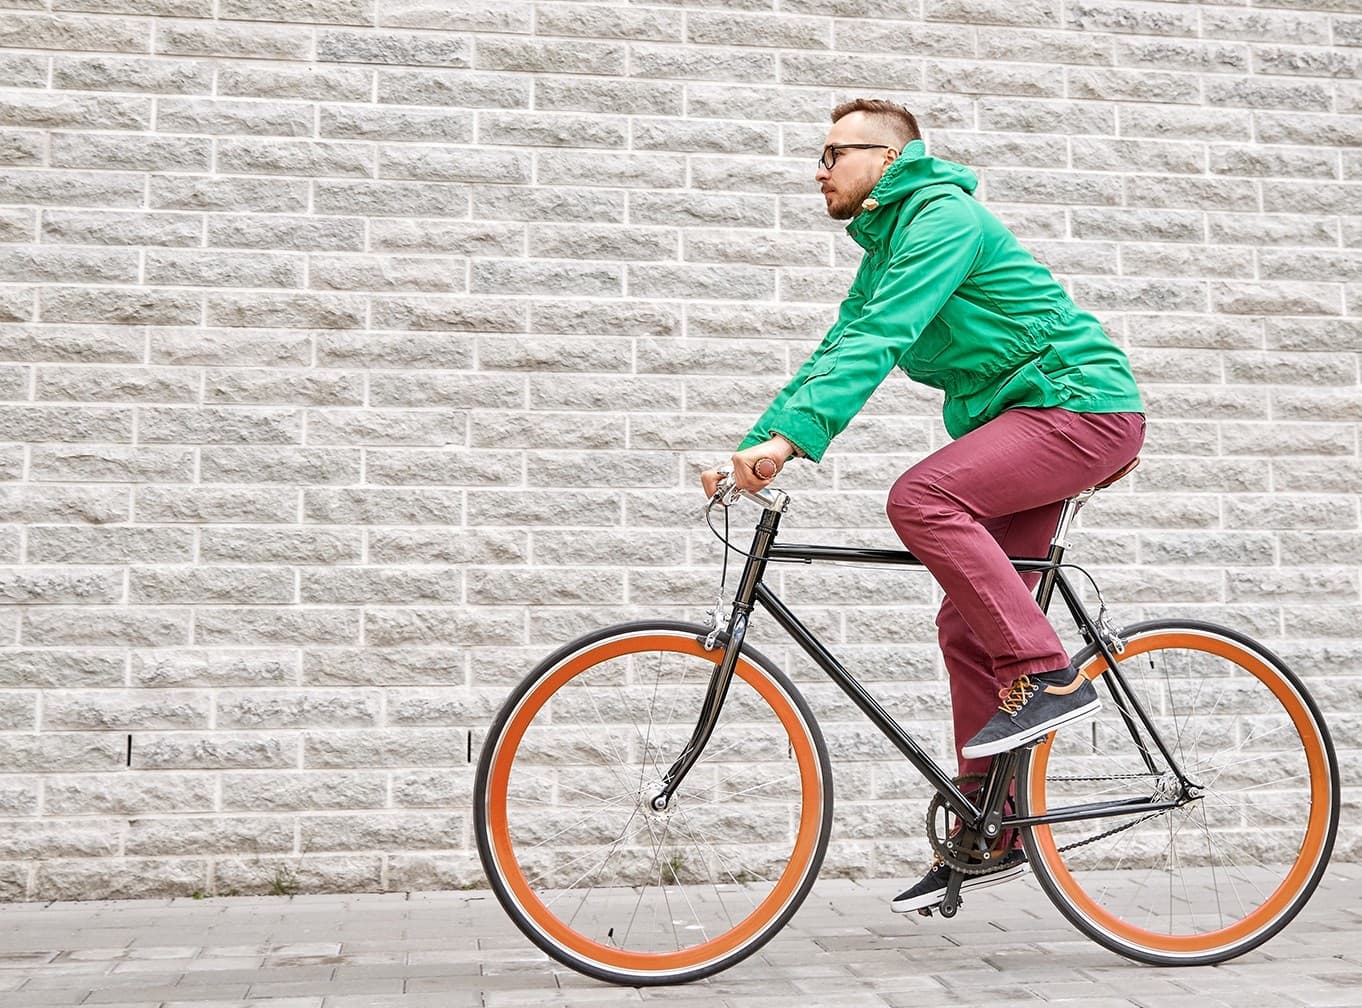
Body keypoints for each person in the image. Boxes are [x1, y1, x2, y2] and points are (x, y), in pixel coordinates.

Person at [699, 99, 1145, 914]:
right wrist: (757, 441)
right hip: (1031, 416)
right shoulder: (888, 246)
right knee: (963, 620)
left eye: (835, 152)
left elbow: (885, 337)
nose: (818, 168)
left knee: (923, 497)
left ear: (889, 158)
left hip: (1080, 406)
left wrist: (794, 444)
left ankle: (1046, 672)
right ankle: (993, 827)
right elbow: (841, 342)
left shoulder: (943, 216)